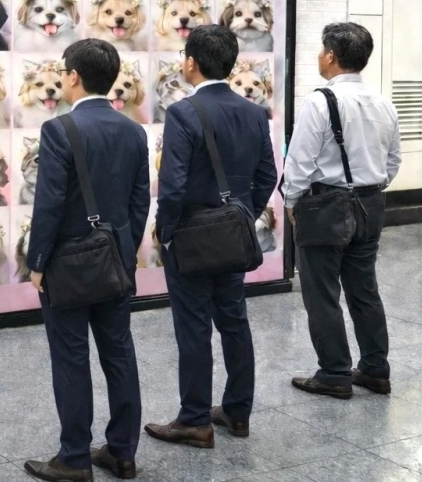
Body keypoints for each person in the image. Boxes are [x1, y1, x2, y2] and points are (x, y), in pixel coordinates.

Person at [23, 39, 150, 482]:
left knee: (72, 357)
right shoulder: (134, 130)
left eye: (63, 71)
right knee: (119, 352)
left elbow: (50, 204)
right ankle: (122, 452)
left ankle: (74, 458)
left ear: (73, 76)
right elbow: (139, 204)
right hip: (115, 261)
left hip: (68, 264)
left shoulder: (60, 129)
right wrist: (126, 255)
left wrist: (36, 261)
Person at [145, 25, 276, 449]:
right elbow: (267, 175)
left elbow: (173, 183)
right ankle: (238, 412)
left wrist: (166, 232)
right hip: (233, 236)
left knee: (194, 328)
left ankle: (195, 419)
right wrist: (242, 215)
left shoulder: (184, 112)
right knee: (234, 321)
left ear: (190, 63)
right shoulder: (255, 113)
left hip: (191, 235)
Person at [283, 23, 401, 398]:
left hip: (325, 206)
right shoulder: (384, 102)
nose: (320, 56)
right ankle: (375, 369)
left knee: (322, 293)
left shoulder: (320, 101)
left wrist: (291, 201)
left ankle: (334, 373)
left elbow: (299, 161)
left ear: (331, 57)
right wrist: (369, 187)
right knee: (364, 290)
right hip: (371, 204)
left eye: (321, 51)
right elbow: (393, 161)